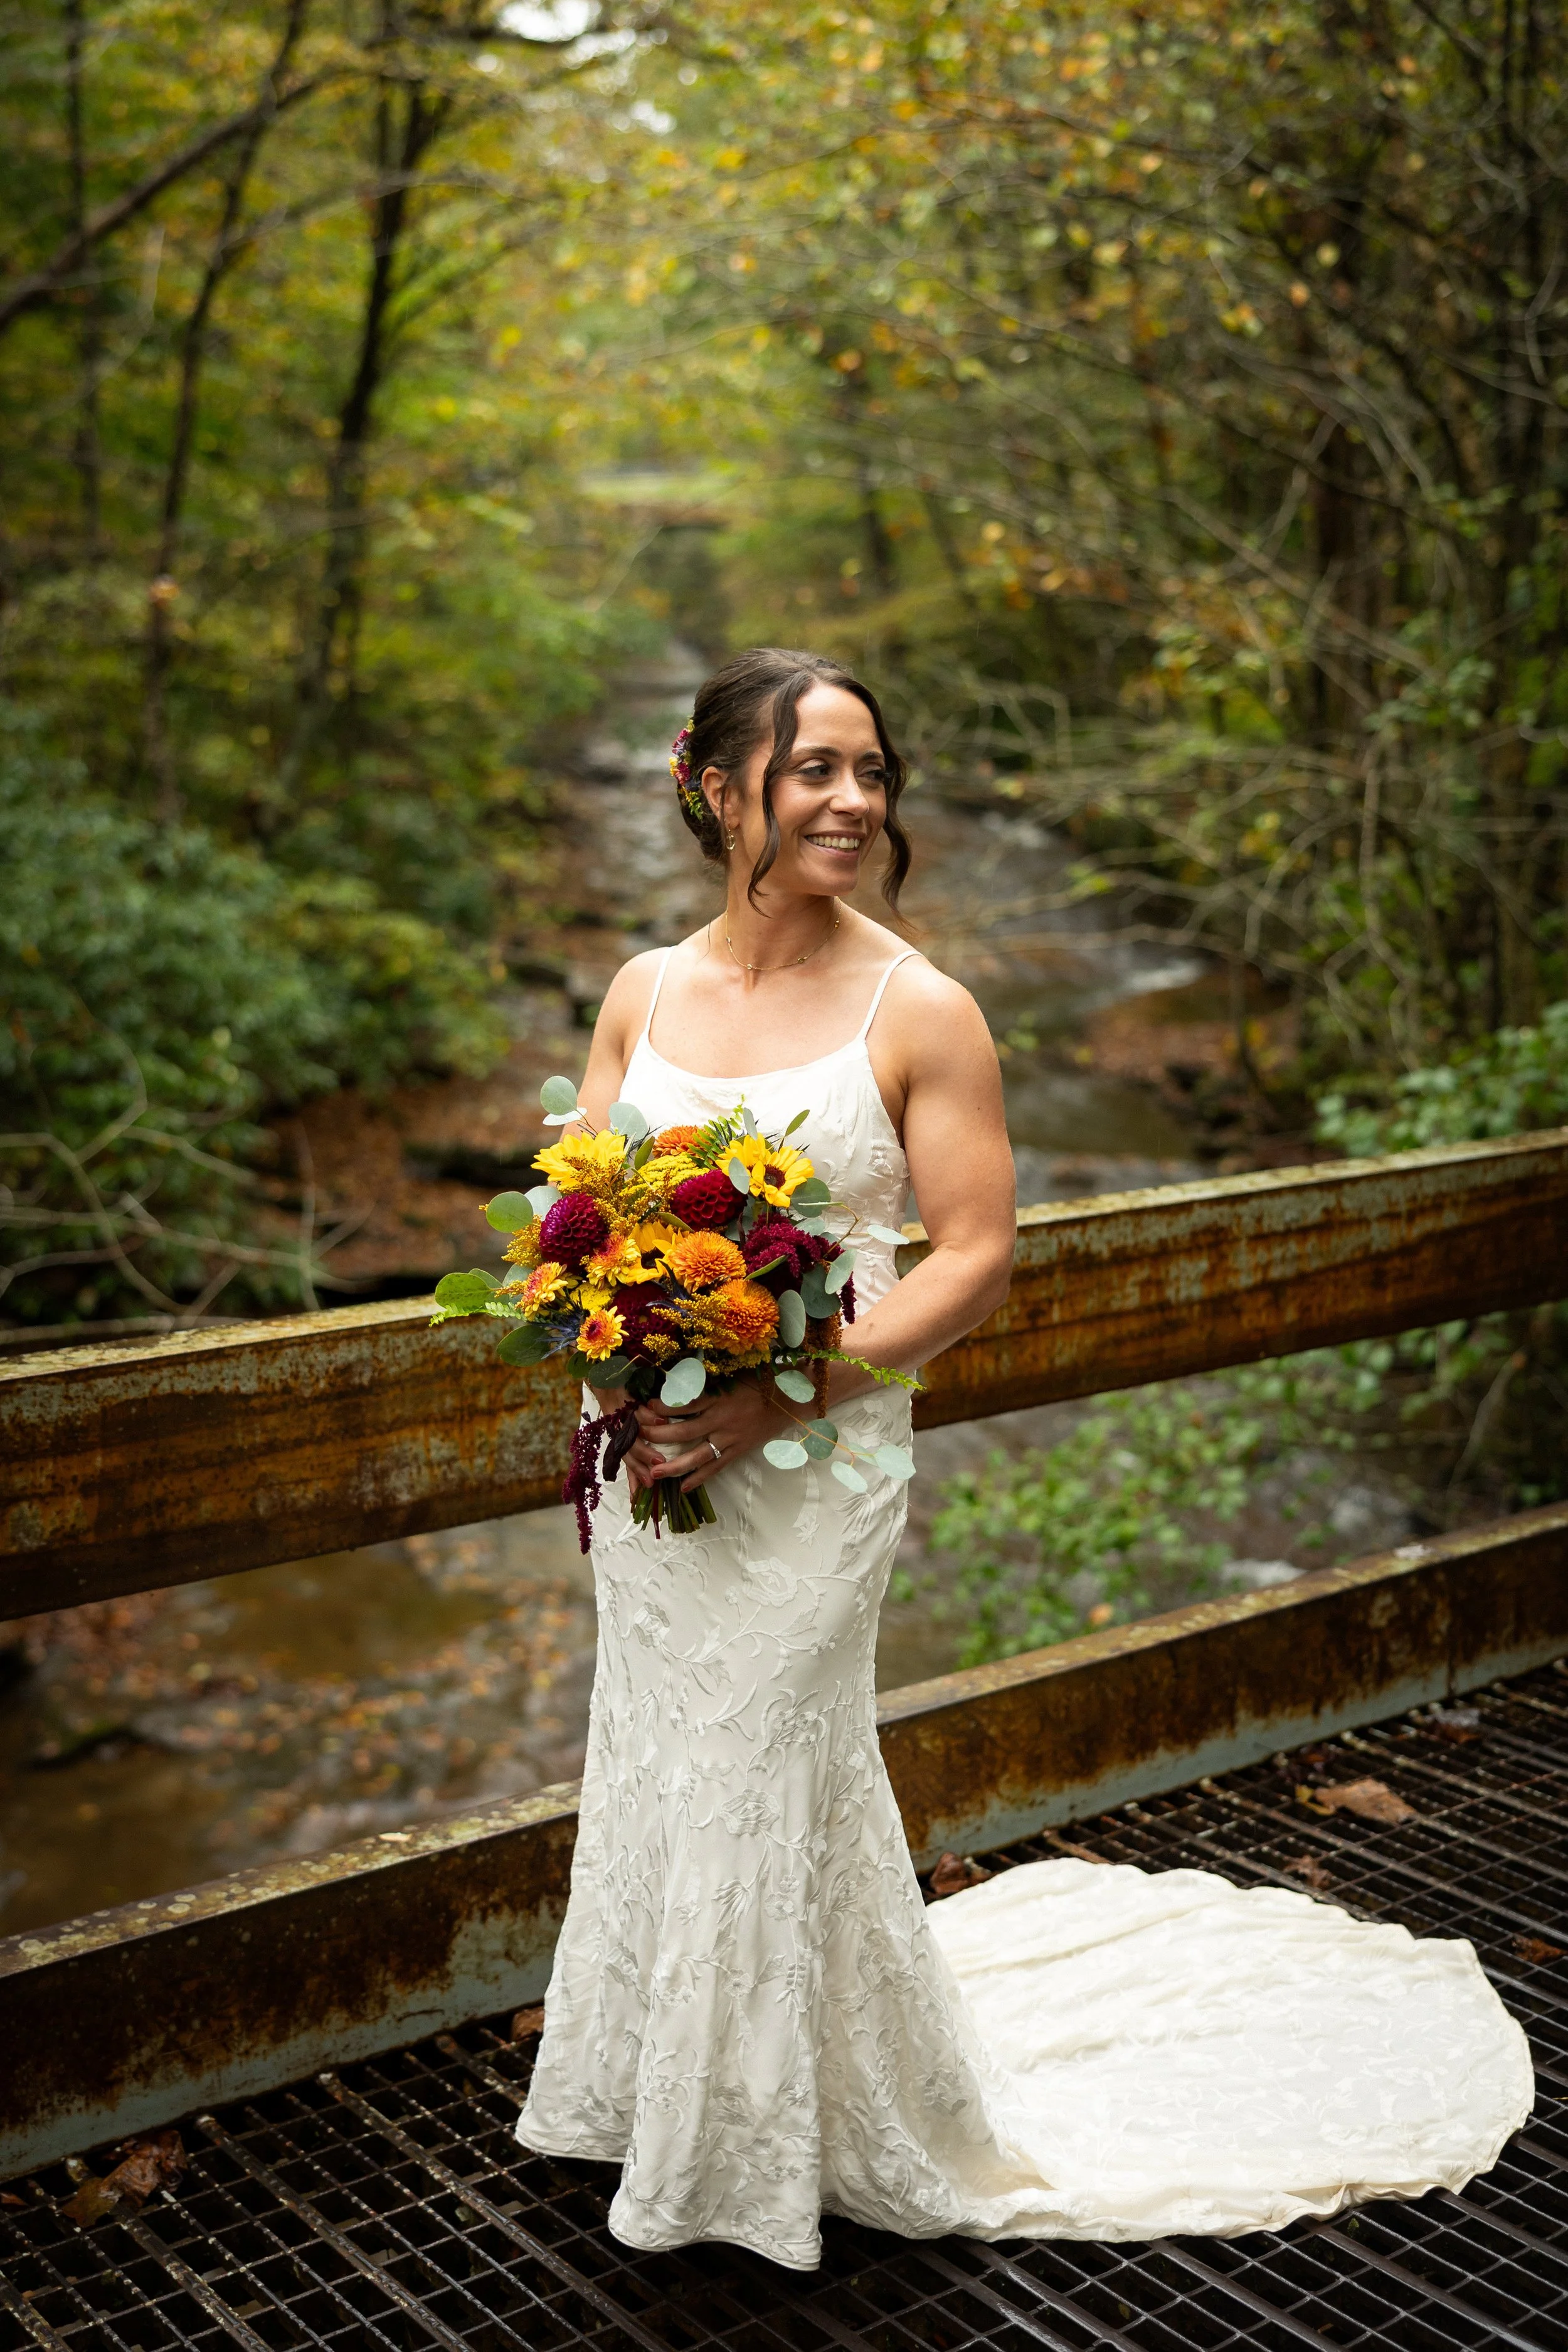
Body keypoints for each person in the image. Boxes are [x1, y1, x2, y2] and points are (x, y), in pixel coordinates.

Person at [514, 647, 1532, 2270]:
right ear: (712, 788)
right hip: (648, 1454)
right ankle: (668, 2083)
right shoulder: (640, 990)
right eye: (812, 770)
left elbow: (972, 1252)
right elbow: (575, 1196)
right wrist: (610, 1355)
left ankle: (767, 2145)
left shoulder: (919, 1006)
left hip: (815, 1449)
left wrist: (783, 1391)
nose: (854, 800)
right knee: (664, 1756)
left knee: (769, 1749)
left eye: (871, 770)